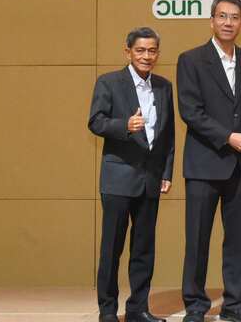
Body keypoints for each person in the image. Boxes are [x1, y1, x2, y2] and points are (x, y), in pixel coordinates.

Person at [177, 0, 241, 322]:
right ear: (211, 20)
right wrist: (228, 137)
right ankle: (195, 306)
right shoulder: (191, 60)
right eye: (222, 16)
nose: (228, 22)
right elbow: (190, 111)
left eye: (235, 17)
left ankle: (234, 305)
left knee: (239, 241)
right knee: (197, 240)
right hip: (204, 164)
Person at [88, 27, 175, 322]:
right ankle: (108, 310)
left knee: (144, 249)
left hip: (151, 179)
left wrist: (166, 172)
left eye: (152, 51)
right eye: (140, 50)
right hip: (118, 178)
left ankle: (138, 308)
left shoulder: (164, 86)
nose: (146, 56)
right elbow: (96, 121)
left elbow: (168, 134)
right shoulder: (109, 82)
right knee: (112, 248)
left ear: (157, 54)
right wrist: (124, 125)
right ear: (128, 52)